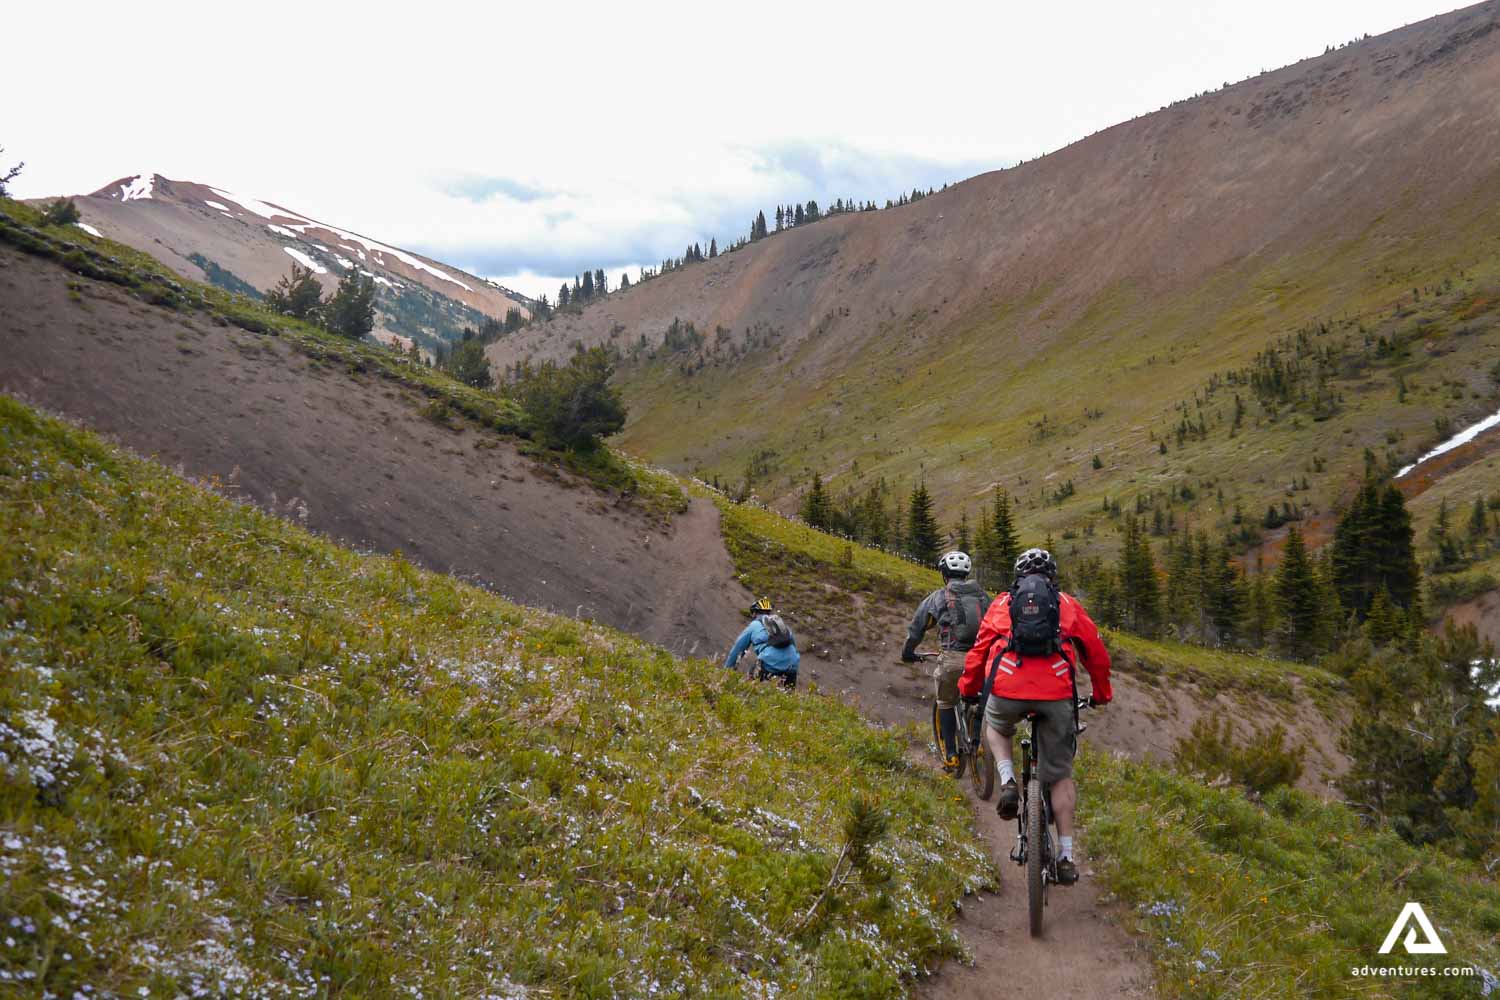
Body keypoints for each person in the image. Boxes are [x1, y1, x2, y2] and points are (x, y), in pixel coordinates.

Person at [958, 547, 1111, 886]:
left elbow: (978, 651)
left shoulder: (1001, 604)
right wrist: (1101, 694)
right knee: (1060, 775)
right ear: (1052, 578)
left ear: (1018, 577)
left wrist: (969, 688)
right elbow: (1097, 656)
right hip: (1057, 694)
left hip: (1008, 687)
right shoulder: (1068, 605)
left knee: (996, 727)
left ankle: (1008, 779)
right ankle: (1067, 857)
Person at [902, 550, 991, 771]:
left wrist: (908, 652)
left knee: (946, 702)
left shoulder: (938, 597)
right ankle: (977, 740)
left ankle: (951, 755)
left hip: (953, 658)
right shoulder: (983, 597)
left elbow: (917, 628)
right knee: (977, 699)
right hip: (983, 659)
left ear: (944, 574)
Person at [724, 596, 801, 688]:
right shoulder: (782, 625)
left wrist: (726, 672)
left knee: (750, 688)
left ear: (754, 614)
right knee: (788, 696)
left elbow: (737, 650)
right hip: (792, 664)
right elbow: (793, 646)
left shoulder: (754, 625)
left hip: (769, 661)